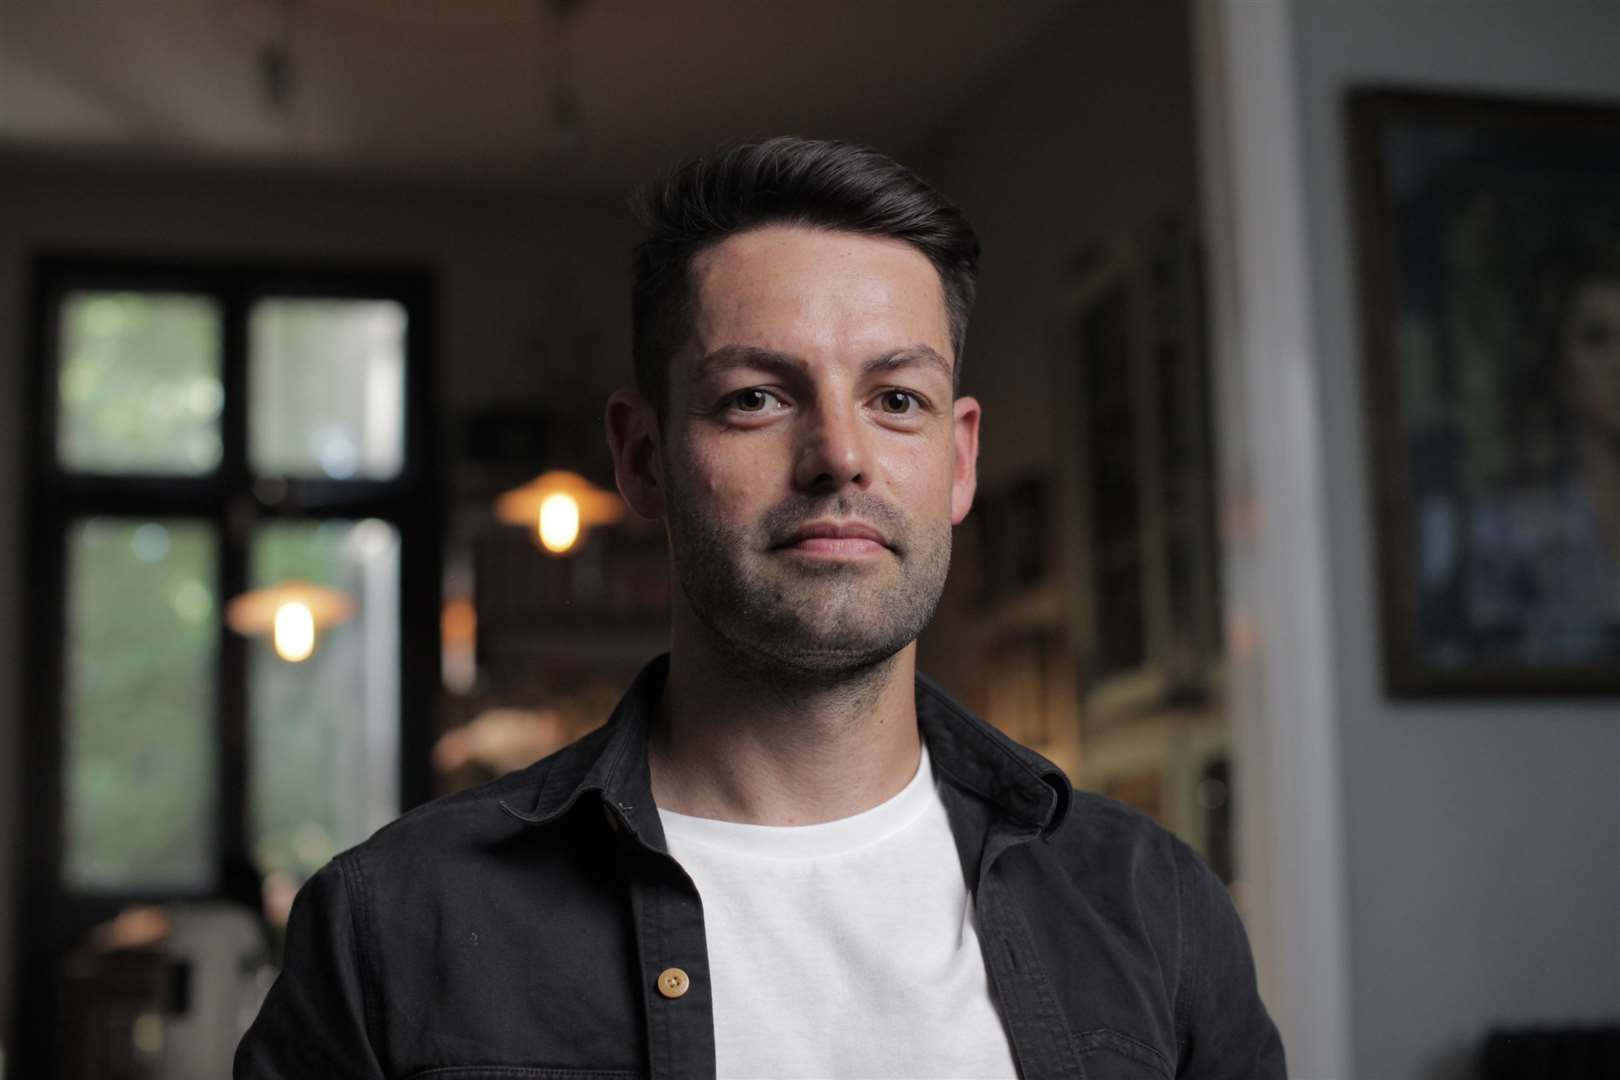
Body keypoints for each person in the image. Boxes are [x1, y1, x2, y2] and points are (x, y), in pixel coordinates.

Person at [235, 137, 1285, 1079]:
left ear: (959, 460)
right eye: (757, 398)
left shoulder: (1153, 907)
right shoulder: (394, 923)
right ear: (645, 458)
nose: (838, 455)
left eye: (897, 400)